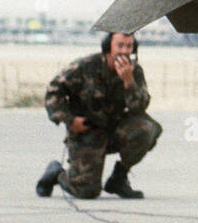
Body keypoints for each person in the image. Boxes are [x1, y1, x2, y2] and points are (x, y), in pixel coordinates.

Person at [35, 31, 162, 199]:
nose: (124, 51)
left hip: (115, 128)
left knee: (147, 129)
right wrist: (69, 120)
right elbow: (54, 91)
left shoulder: (134, 71)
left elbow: (139, 108)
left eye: (129, 46)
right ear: (108, 47)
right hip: (87, 131)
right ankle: (56, 173)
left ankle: (119, 178)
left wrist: (128, 81)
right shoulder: (85, 66)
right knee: (86, 191)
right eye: (120, 46)